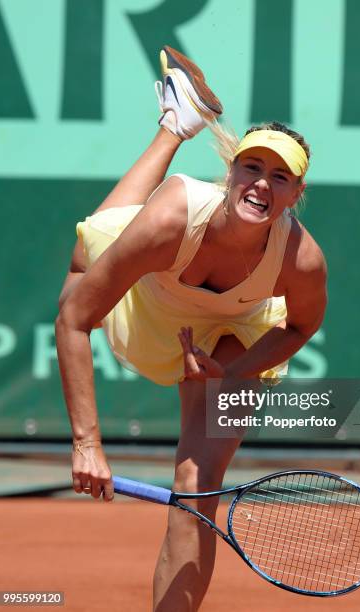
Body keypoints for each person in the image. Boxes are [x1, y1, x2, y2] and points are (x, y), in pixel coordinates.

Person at [55, 46, 327, 612]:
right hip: (156, 303)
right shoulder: (174, 214)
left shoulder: (301, 260)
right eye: (251, 167)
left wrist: (230, 371)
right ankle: (175, 126)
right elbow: (75, 321)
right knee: (83, 269)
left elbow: (299, 326)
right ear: (231, 171)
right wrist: (87, 445)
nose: (261, 185)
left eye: (280, 177)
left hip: (238, 332)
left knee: (198, 484)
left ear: (297, 195)